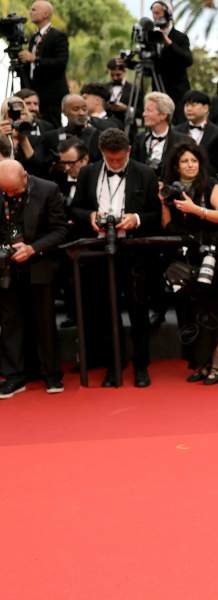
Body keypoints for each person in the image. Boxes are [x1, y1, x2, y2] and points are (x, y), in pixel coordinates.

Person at [70, 128, 160, 387]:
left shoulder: (145, 172)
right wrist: (89, 217)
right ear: (102, 153)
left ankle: (142, 366)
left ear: (129, 151)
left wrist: (136, 219)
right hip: (98, 252)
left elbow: (157, 215)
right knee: (105, 312)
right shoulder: (88, 173)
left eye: (121, 159)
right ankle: (114, 365)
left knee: (138, 310)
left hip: (133, 252)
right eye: (112, 159)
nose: (117, 163)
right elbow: (75, 207)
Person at [160, 142, 218, 382]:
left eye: (194, 161)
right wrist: (163, 202)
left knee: (212, 309)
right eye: (184, 161)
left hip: (211, 253)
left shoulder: (213, 186)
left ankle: (216, 364)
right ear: (176, 166)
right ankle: (200, 363)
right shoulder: (172, 190)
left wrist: (195, 209)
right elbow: (167, 227)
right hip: (184, 256)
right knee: (191, 310)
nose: (190, 165)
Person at [0, 159, 67, 397]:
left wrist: (33, 248)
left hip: (39, 263)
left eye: (14, 191)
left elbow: (60, 230)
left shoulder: (48, 189)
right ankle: (14, 376)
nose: (9, 194)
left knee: (44, 322)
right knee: (10, 323)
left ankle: (51, 374)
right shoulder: (4, 190)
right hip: (7, 268)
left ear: (25, 177)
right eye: (4, 191)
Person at [16, 1, 68, 129]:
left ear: (45, 14)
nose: (30, 12)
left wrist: (35, 59)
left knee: (52, 126)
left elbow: (61, 62)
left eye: (34, 10)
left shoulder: (57, 36)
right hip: (35, 91)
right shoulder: (34, 37)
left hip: (51, 93)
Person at [147, 0, 192, 120]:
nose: (155, 17)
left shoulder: (180, 37)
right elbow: (149, 69)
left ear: (168, 14)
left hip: (177, 96)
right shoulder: (152, 38)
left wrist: (169, 42)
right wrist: (129, 63)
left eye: (158, 13)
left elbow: (188, 60)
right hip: (158, 94)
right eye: (153, 14)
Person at [132, 92, 190, 176]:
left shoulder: (183, 141)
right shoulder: (140, 138)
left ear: (163, 115)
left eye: (148, 110)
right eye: (144, 110)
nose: (144, 114)